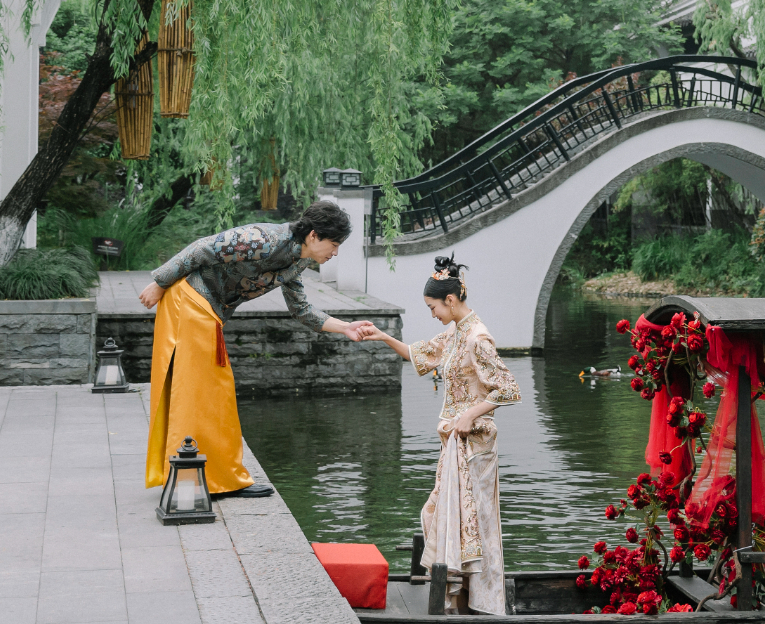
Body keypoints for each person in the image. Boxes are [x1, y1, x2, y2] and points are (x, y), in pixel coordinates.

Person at [140, 199, 376, 498]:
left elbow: (301, 310)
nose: (336, 252)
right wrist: (160, 282)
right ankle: (200, 479)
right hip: (189, 302)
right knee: (200, 392)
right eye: (334, 244)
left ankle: (214, 478)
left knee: (212, 393)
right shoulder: (263, 239)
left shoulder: (298, 261)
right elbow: (202, 248)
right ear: (314, 235)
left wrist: (345, 327)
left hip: (205, 311)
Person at [365, 258, 520, 615]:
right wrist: (383, 337)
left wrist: (469, 414)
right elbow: (420, 356)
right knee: (443, 517)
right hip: (454, 443)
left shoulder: (477, 337)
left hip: (475, 445)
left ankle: (475, 603)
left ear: (450, 299)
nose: (432, 314)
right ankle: (460, 602)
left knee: (474, 522)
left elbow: (508, 388)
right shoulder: (454, 333)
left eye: (432, 307)